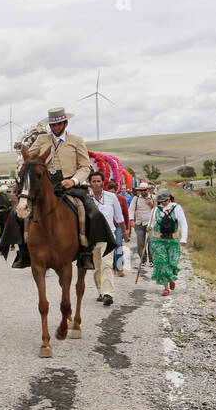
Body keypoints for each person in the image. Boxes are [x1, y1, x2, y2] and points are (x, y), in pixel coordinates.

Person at [12, 107, 106, 271]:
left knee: (88, 209)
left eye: (58, 125)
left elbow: (85, 166)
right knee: (19, 211)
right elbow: (27, 158)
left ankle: (85, 251)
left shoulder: (77, 141)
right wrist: (24, 163)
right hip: (46, 185)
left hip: (70, 185)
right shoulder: (42, 140)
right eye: (53, 125)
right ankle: (23, 251)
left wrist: (74, 180)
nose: (55, 128)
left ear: (65, 123)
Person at [88, 171, 126, 305]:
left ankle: (108, 294)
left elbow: (119, 216)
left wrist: (124, 232)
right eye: (94, 181)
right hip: (92, 238)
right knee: (97, 267)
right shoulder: (87, 199)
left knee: (107, 264)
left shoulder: (111, 197)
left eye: (99, 181)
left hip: (109, 235)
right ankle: (100, 291)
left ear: (103, 182)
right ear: (90, 183)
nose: (96, 184)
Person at [150, 190, 189, 296]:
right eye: (162, 201)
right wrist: (150, 227)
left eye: (166, 200)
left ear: (169, 199)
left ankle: (172, 278)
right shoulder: (155, 210)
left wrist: (183, 238)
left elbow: (183, 223)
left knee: (172, 262)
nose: (164, 203)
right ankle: (166, 288)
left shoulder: (176, 208)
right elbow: (153, 223)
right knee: (162, 263)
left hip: (173, 240)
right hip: (158, 240)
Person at [128, 184, 157, 268]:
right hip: (139, 223)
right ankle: (143, 259)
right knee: (140, 243)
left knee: (151, 242)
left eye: (145, 190)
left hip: (149, 224)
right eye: (141, 190)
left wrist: (151, 205)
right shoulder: (136, 198)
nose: (143, 192)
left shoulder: (153, 197)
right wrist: (131, 220)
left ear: (148, 190)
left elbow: (157, 210)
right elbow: (131, 210)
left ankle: (152, 260)